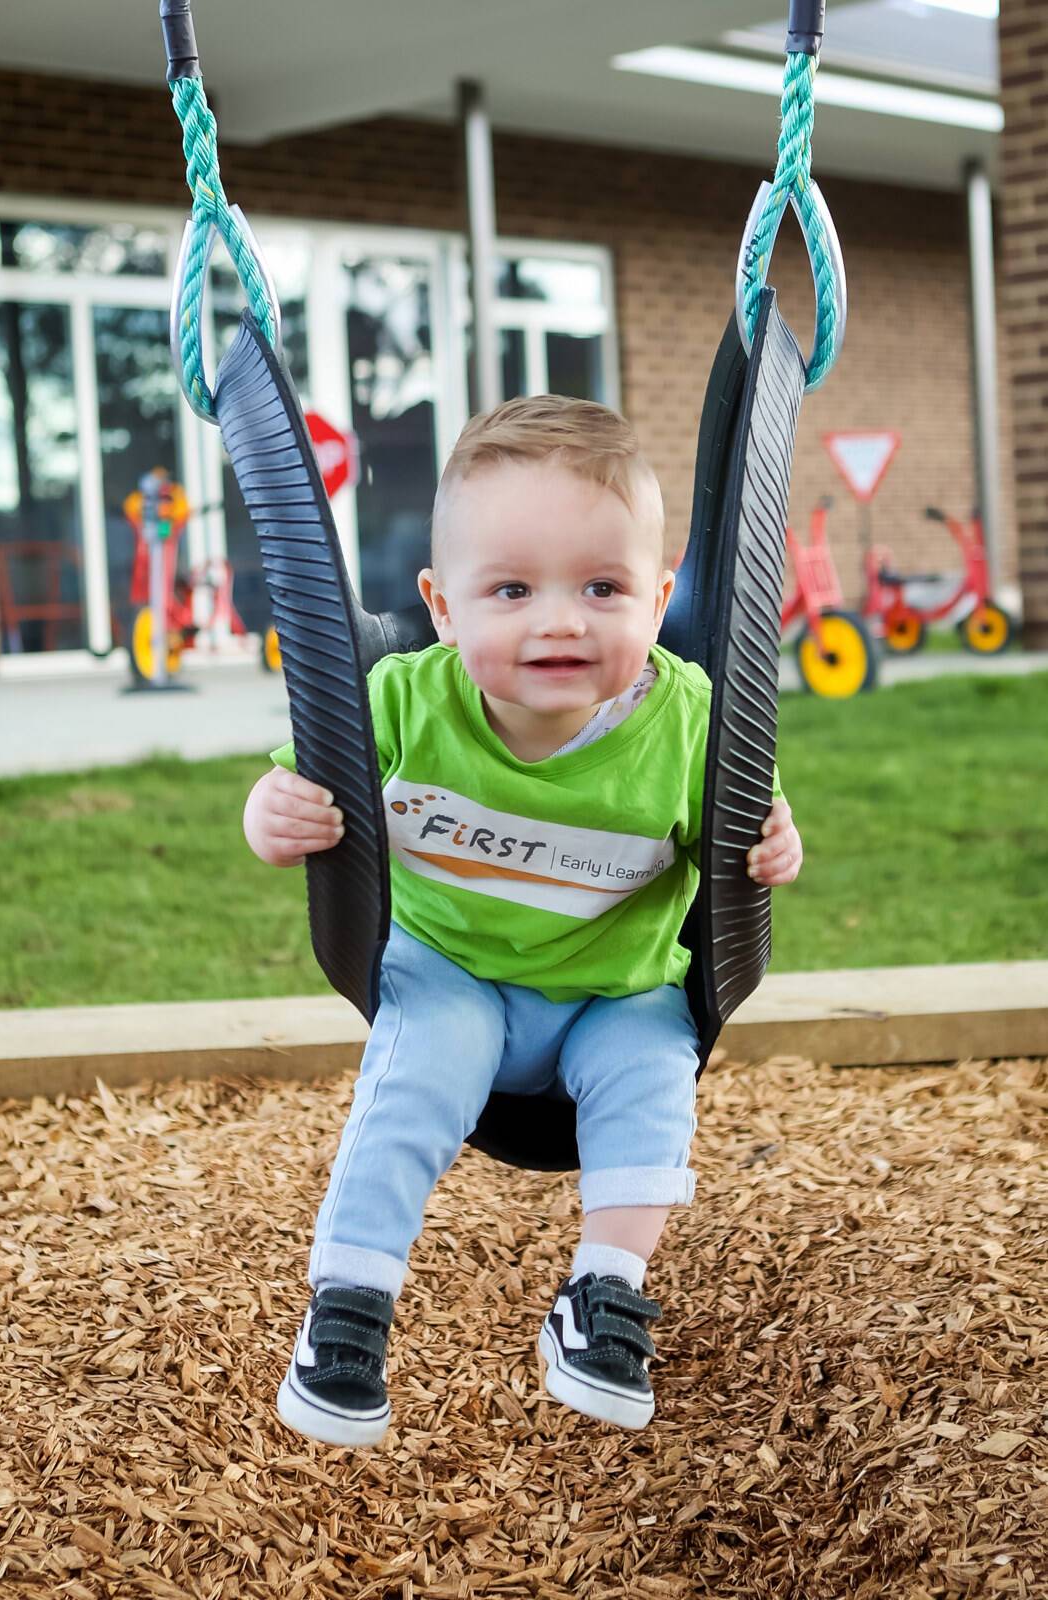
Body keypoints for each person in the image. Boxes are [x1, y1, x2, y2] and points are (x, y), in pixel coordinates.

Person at [243, 396, 803, 1448]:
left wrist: (775, 848)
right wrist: (270, 816)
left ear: (660, 600)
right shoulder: (403, 700)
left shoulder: (687, 717)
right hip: (452, 971)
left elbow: (755, 826)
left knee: (656, 1077)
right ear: (443, 607)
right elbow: (288, 789)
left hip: (615, 992)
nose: (560, 621)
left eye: (602, 588)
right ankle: (349, 1306)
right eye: (511, 589)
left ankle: (603, 1293)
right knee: (416, 1072)